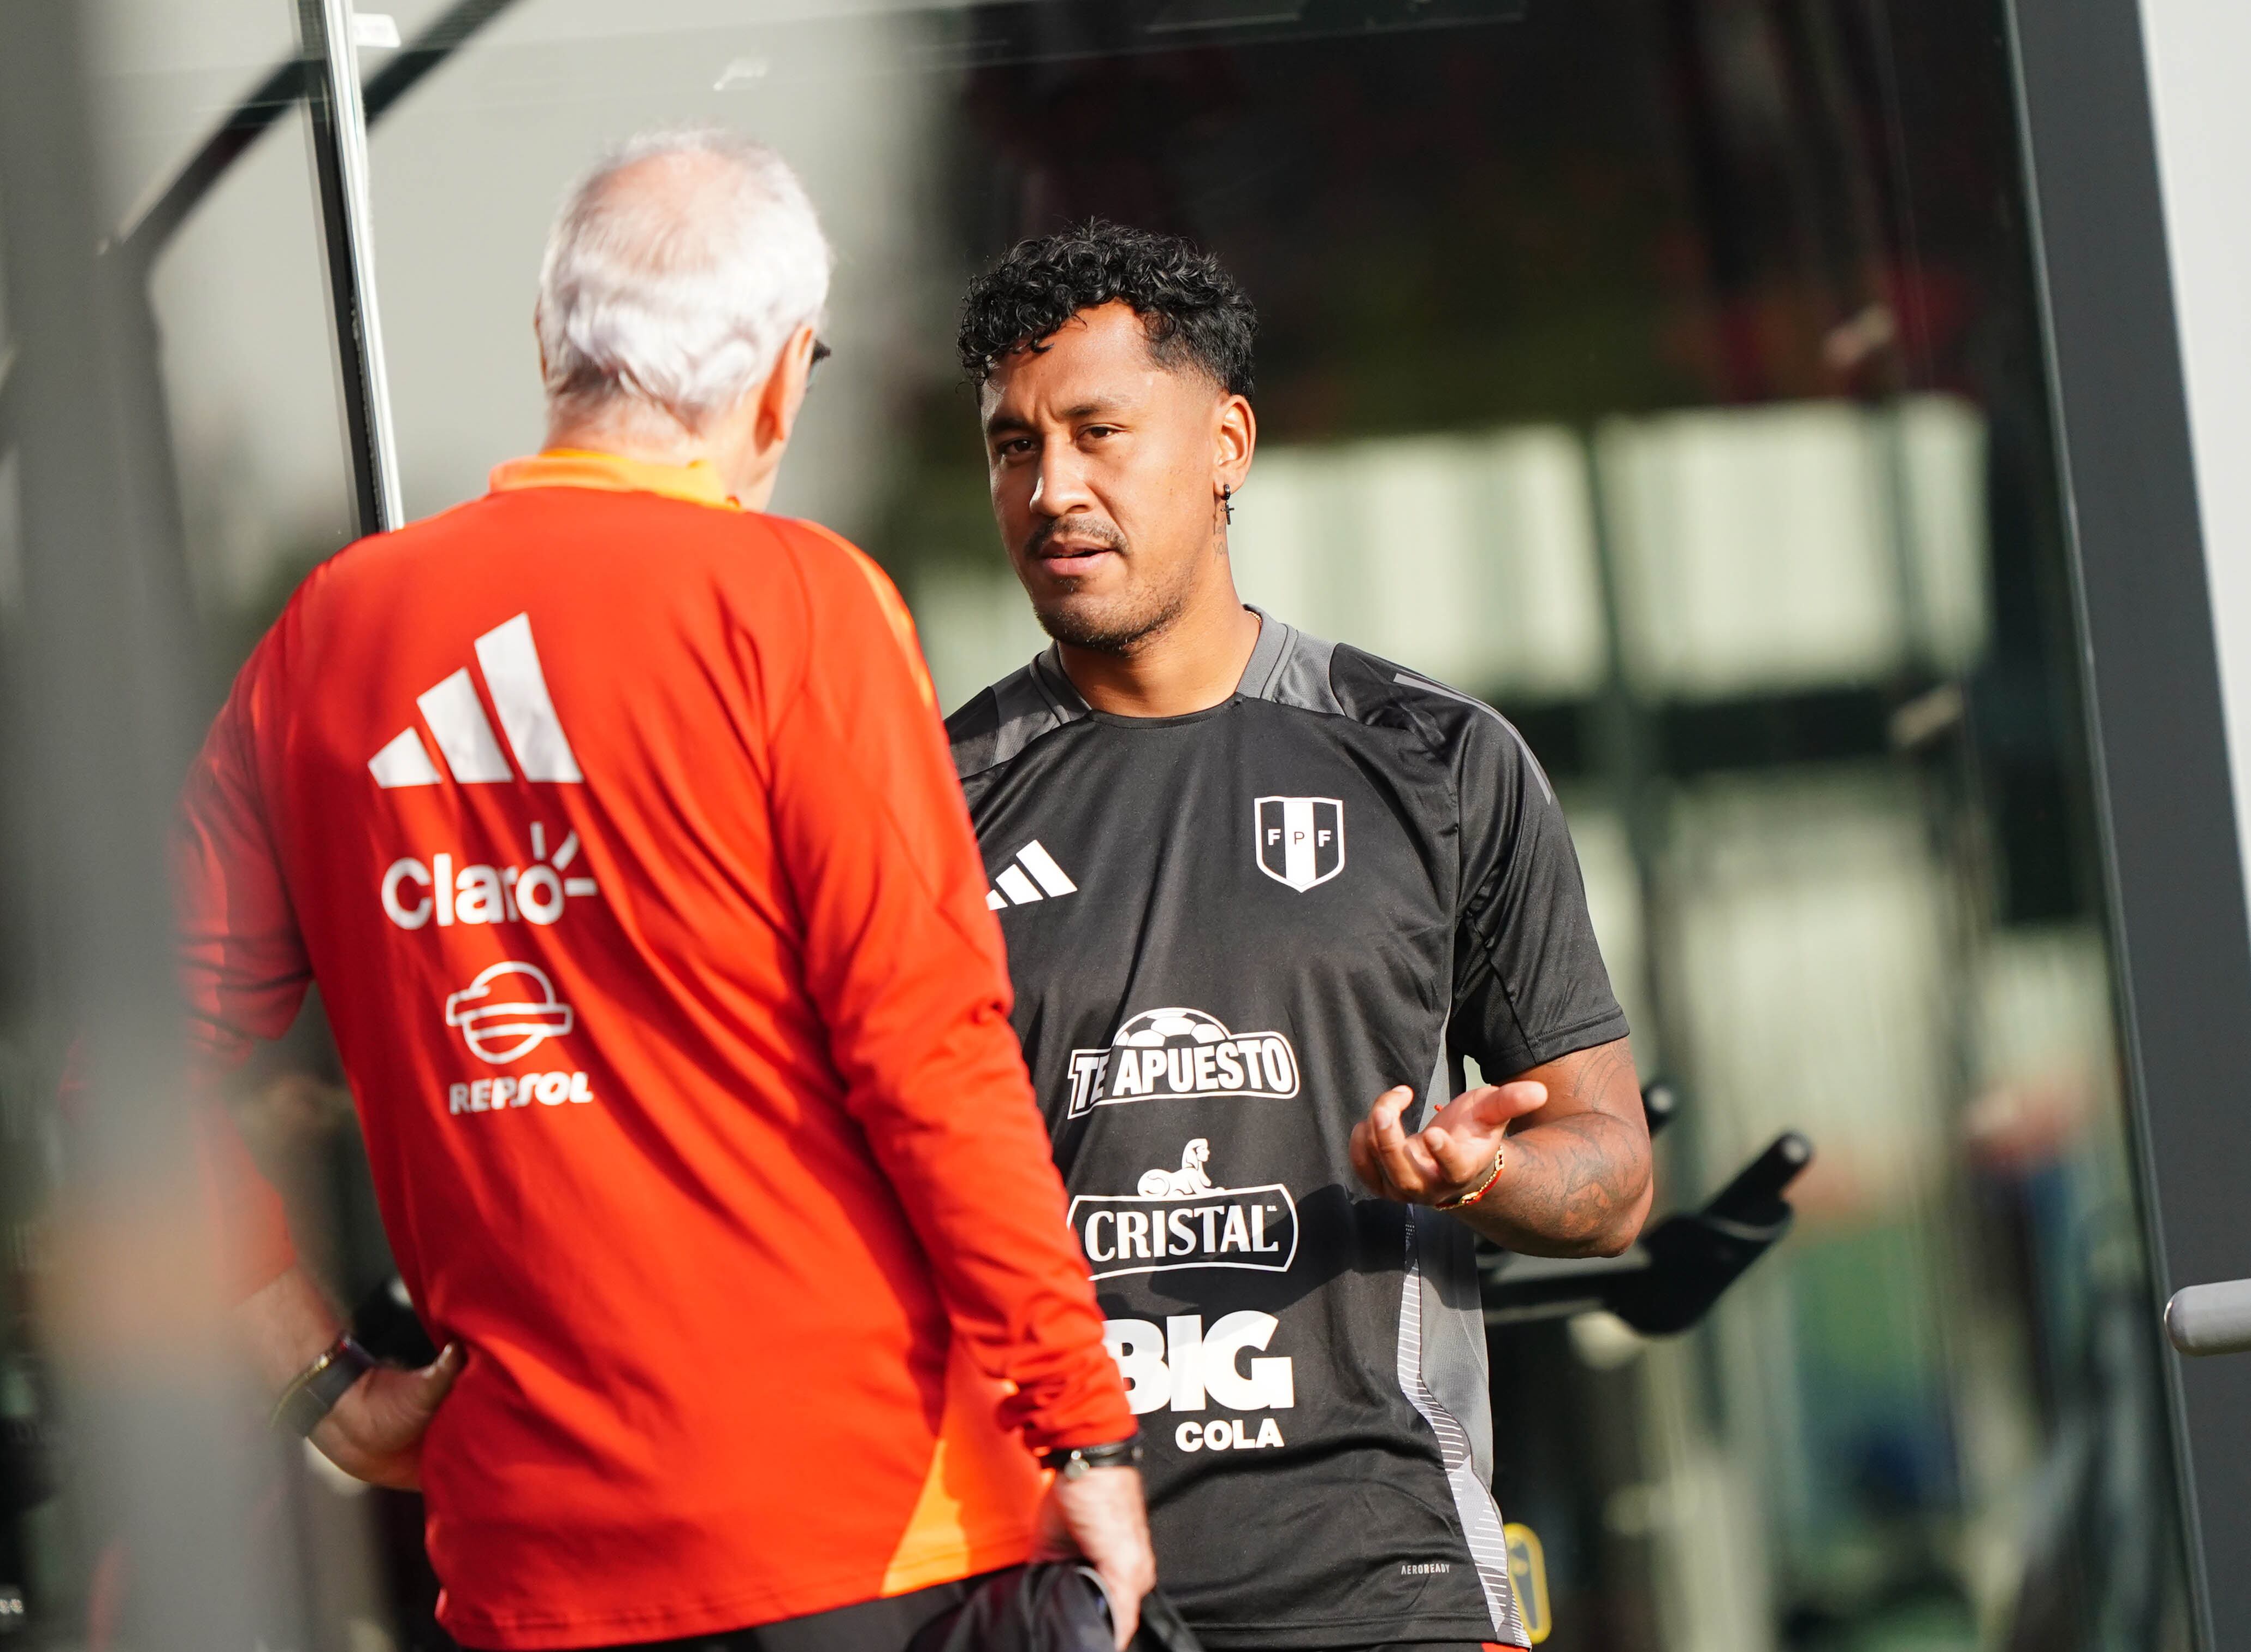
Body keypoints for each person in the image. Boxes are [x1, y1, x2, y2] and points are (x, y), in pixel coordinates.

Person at [172, 132, 1156, 1652]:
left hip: (532, 1573)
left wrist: (315, 1380)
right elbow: (929, 1050)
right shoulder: (793, 604)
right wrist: (1082, 1426)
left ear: (548, 347)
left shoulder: (329, 638)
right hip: (859, 1532)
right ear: (773, 379)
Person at [943, 222, 1655, 1650]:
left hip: (1380, 1571)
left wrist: (1478, 1173)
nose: (1051, 489)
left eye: (1096, 432)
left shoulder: (1435, 760)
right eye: (1014, 447)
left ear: (1226, 442)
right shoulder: (924, 799)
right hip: (1055, 1577)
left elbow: (1615, 1176)